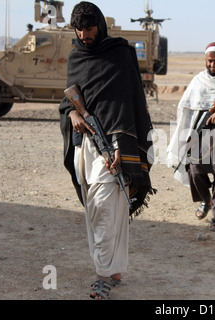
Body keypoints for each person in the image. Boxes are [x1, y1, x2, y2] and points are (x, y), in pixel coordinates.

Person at [58, 2, 154, 300]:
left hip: (113, 144)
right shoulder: (77, 56)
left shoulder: (120, 53)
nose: (84, 34)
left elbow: (128, 103)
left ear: (100, 25)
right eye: (79, 29)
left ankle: (102, 277)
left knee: (105, 209)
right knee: (100, 209)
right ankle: (115, 268)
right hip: (83, 147)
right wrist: (72, 114)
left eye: (89, 28)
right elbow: (68, 100)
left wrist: (120, 147)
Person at [167, 42, 215, 231]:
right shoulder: (198, 80)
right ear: (205, 60)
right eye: (210, 61)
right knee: (194, 169)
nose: (213, 65)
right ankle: (207, 201)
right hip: (200, 130)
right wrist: (185, 130)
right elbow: (185, 107)